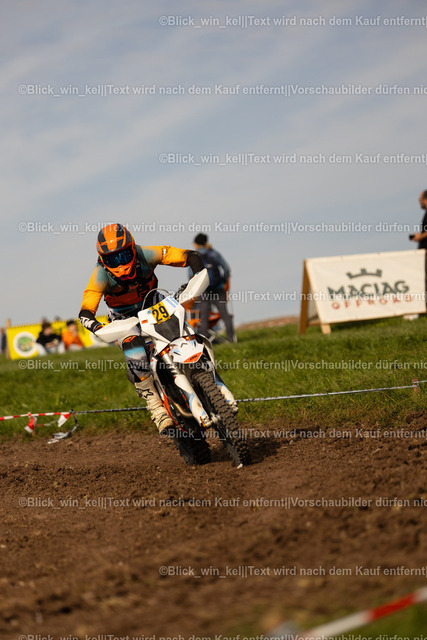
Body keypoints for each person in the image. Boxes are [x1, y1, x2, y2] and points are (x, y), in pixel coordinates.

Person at [79, 223, 205, 436]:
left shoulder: (147, 254)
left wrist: (197, 271)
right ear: (102, 260)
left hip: (153, 302)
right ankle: (156, 408)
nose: (120, 264)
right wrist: (96, 325)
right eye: (112, 259)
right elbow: (86, 310)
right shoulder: (100, 275)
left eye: (124, 255)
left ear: (133, 248)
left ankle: (204, 372)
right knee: (136, 355)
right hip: (124, 317)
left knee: (185, 331)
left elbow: (187, 255)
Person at [192, 233, 236, 343]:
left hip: (203, 291)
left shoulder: (195, 256)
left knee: (204, 317)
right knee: (225, 315)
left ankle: (205, 343)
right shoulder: (214, 253)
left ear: (196, 244)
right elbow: (226, 269)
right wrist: (222, 282)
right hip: (218, 289)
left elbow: (191, 276)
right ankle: (232, 340)